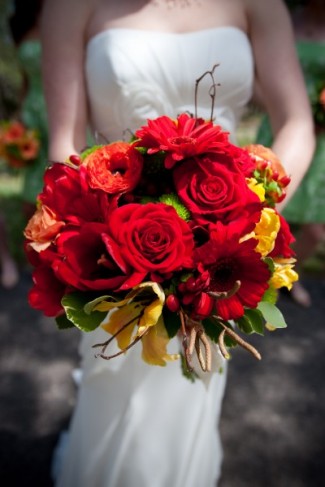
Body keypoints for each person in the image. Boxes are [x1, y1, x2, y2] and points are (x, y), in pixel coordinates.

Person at [40, 1, 314, 486]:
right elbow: (66, 140)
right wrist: (110, 225)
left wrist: (250, 214)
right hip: (118, 246)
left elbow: (297, 123)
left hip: (218, 246)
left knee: (191, 391)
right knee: (115, 386)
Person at [256, 0, 325, 307]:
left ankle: (286, 276)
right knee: (266, 211)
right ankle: (262, 276)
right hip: (278, 124)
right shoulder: (283, 19)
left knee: (314, 226)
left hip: (320, 136)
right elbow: (258, 74)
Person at [9, 0, 48, 219]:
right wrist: (20, 115)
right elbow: (25, 79)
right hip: (32, 109)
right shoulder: (21, 26)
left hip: (56, 106)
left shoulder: (64, 17)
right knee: (33, 168)